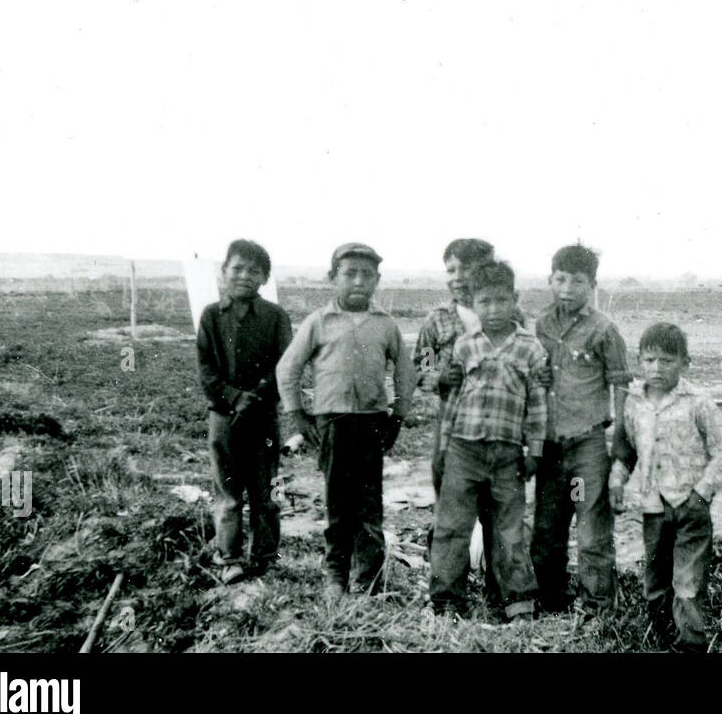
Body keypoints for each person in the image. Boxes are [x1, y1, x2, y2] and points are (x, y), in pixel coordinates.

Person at [276, 243, 415, 601]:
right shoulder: (319, 322)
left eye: (366, 274)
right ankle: (335, 574)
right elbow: (287, 369)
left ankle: (369, 578)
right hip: (333, 423)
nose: (358, 281)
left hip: (372, 423)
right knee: (339, 502)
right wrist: (297, 415)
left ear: (377, 280)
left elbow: (405, 371)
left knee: (370, 503)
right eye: (349, 273)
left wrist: (398, 417)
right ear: (332, 278)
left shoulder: (385, 325)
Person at [414, 238, 545, 609]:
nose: (457, 278)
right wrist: (439, 376)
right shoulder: (438, 320)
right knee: (452, 519)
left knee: (500, 520)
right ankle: (447, 597)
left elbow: (534, 385)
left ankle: (500, 593)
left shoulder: (517, 326)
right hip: (457, 433)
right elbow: (421, 369)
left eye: (465, 271)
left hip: (504, 435)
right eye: (451, 271)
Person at [610, 323, 722, 651]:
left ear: (685, 362)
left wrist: (703, 492)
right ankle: (662, 638)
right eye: (650, 360)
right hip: (652, 505)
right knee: (656, 577)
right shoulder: (634, 402)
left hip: (691, 505)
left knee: (688, 581)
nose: (657, 368)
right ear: (640, 361)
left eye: (667, 361)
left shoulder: (698, 402)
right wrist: (617, 481)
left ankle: (691, 642)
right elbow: (628, 449)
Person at [531, 243, 631, 619]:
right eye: (561, 279)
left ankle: (597, 609)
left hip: (587, 445)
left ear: (592, 285)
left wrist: (620, 437)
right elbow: (534, 372)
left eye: (577, 281)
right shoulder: (540, 325)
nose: (568, 288)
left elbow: (620, 382)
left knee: (591, 532)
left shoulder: (604, 329)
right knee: (546, 531)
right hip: (550, 446)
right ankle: (550, 602)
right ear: (550, 280)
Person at [196, 239, 294, 585]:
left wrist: (255, 398)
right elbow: (207, 371)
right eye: (237, 268)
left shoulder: (275, 317)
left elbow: (285, 366)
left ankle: (265, 557)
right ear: (223, 272)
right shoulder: (210, 316)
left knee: (265, 493)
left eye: (254, 270)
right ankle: (230, 558)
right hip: (223, 419)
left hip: (263, 419)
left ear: (265, 277)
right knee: (228, 493)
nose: (245, 275)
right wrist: (235, 398)